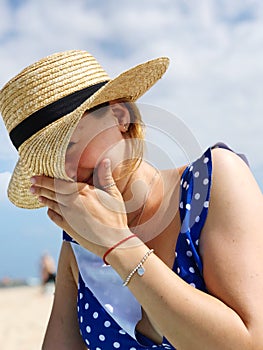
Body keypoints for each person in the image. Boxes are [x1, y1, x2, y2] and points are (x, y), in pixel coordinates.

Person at [0, 50, 262, 350]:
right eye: (49, 164)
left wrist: (117, 244)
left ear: (120, 116)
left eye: (69, 146)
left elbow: (250, 343)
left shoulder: (213, 181)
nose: (66, 172)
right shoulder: (77, 242)